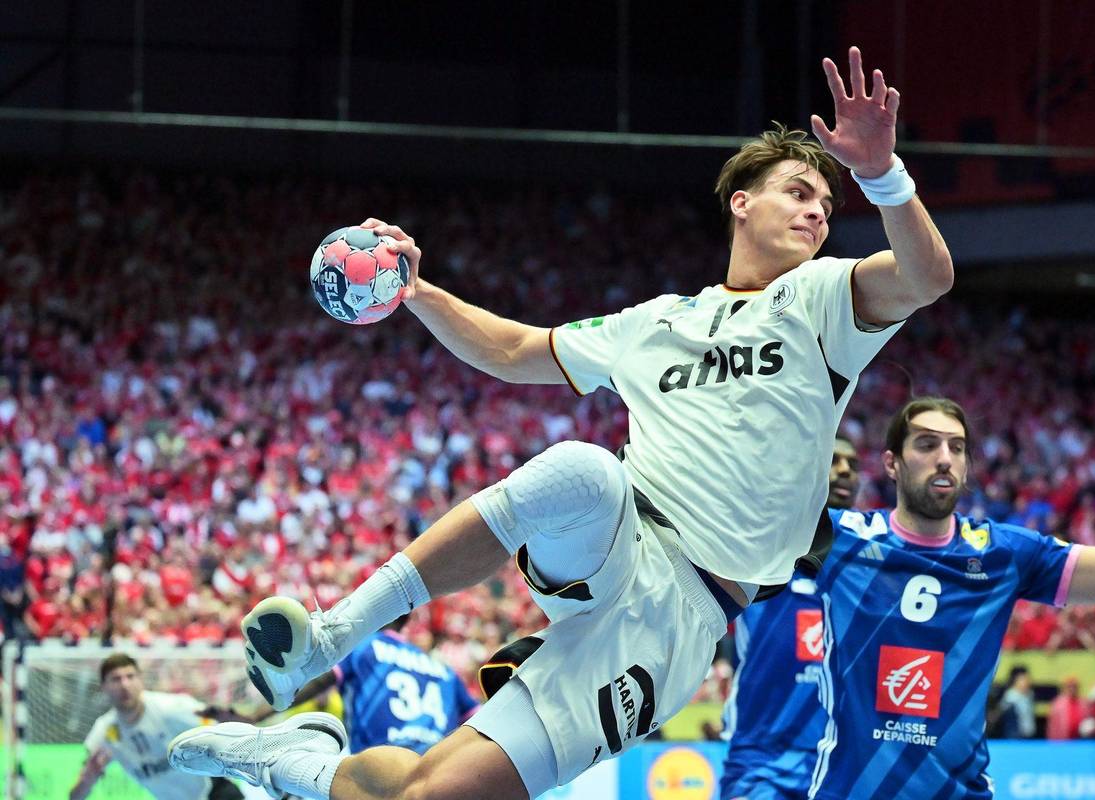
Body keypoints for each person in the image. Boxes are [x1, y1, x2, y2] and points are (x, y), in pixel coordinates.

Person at [167, 45, 954, 800]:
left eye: (825, 202)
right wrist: (417, 291)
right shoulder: (656, 321)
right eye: (797, 191)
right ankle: (329, 636)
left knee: (433, 795)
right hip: (621, 536)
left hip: (685, 616)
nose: (816, 211)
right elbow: (513, 350)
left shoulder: (823, 300)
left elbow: (927, 275)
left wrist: (882, 175)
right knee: (586, 468)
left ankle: (292, 762)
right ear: (742, 203)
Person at [809, 377, 1095, 799]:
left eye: (957, 448)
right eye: (926, 444)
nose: (945, 458)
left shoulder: (1005, 553)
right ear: (892, 463)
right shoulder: (839, 538)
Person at [719, 437, 860, 800]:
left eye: (853, 464)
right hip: (764, 764)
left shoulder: (868, 571)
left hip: (842, 765)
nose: (846, 470)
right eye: (833, 460)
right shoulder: (761, 552)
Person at [252, 615, 478, 755]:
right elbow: (479, 719)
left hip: (382, 765)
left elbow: (318, 682)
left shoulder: (363, 646)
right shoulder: (444, 671)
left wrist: (254, 717)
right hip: (435, 766)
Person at [70, 653, 246, 800]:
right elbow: (75, 796)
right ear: (103, 687)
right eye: (116, 679)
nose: (125, 685)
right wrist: (89, 777)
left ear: (141, 680)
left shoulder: (171, 709)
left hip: (214, 792)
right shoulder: (105, 732)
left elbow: (222, 724)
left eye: (130, 677)